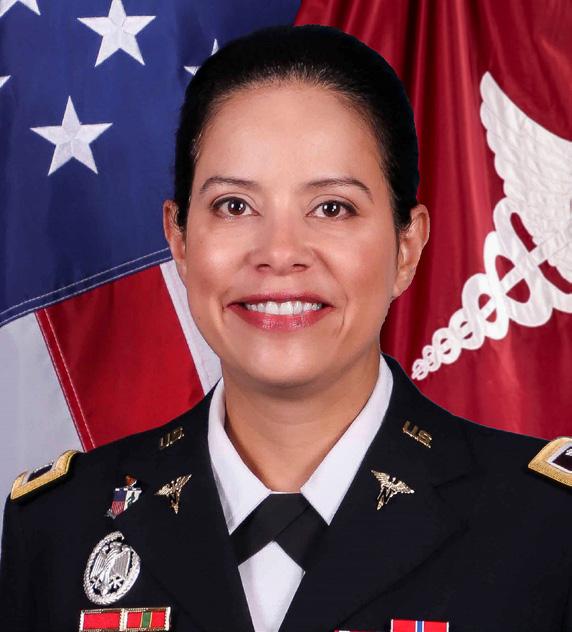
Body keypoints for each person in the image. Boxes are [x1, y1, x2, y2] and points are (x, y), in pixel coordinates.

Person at [1, 24, 571, 632]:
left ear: (407, 247)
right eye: (234, 206)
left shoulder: (547, 530)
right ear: (180, 241)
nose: (279, 253)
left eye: (331, 208)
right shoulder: (58, 528)